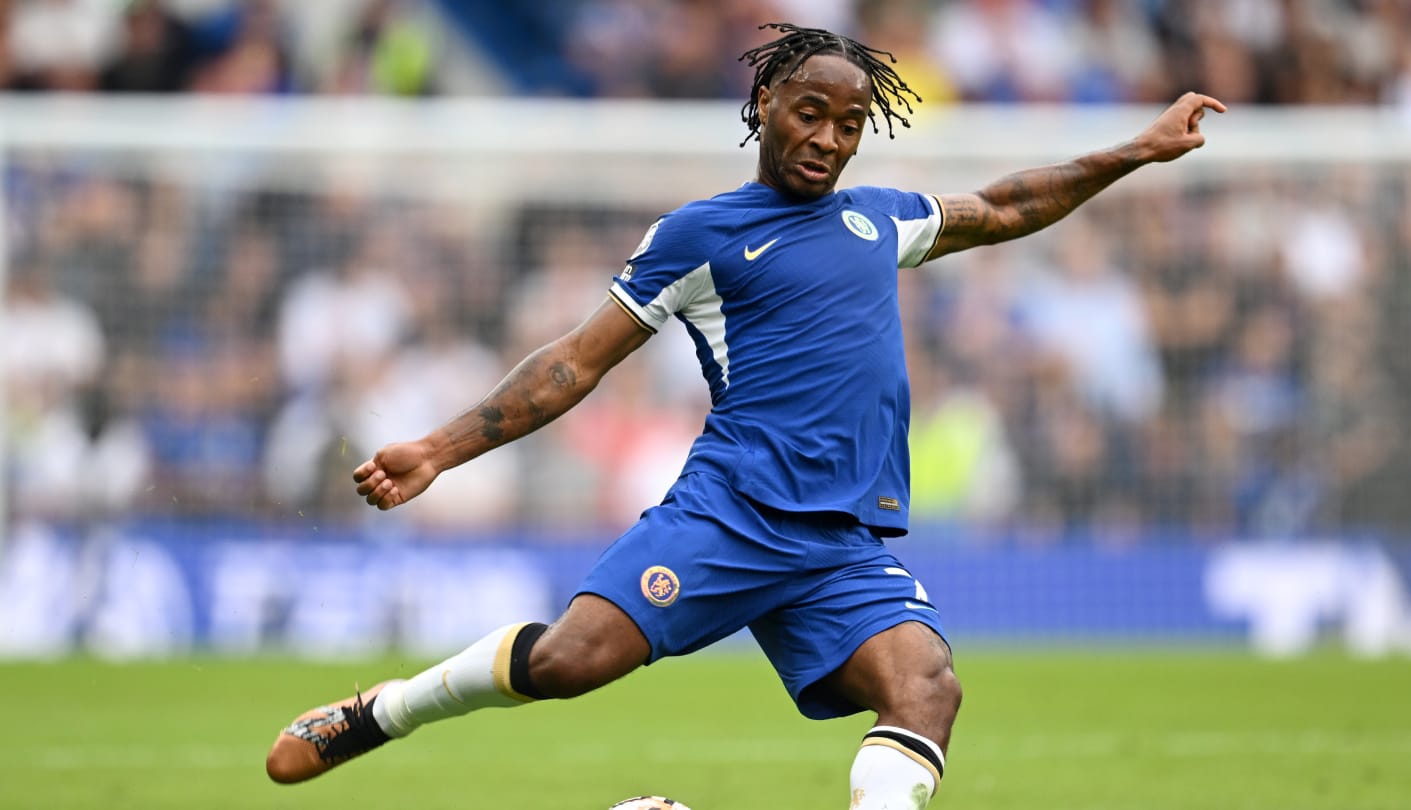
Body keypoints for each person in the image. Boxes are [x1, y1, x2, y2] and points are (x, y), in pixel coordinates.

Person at [265, 22, 1224, 809]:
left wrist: (1136, 150)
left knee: (926, 685)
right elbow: (573, 363)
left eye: (850, 125)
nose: (829, 139)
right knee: (566, 662)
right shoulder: (703, 234)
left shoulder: (881, 218)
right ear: (765, 102)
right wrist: (438, 449)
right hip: (731, 514)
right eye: (811, 113)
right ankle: (382, 713)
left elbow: (1008, 207)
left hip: (841, 540)